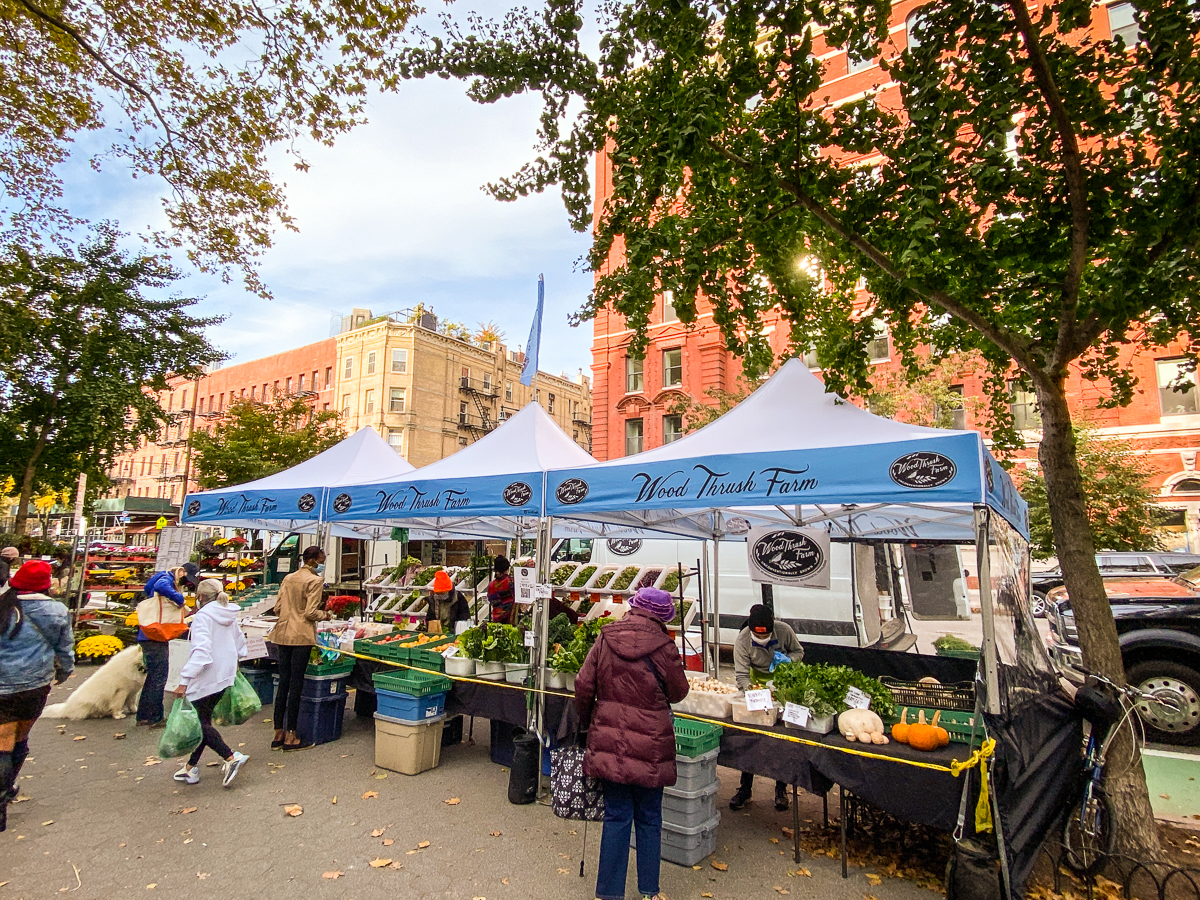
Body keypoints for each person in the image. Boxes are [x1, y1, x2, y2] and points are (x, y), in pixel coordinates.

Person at [575, 587, 689, 900]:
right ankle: (649, 891)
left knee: (616, 815)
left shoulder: (605, 636)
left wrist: (588, 722)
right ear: (664, 617)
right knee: (650, 818)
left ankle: (610, 893)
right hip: (652, 745)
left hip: (609, 741)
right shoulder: (666, 647)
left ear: (634, 607)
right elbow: (680, 692)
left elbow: (583, 684)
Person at [0, 560, 74, 831]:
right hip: (36, 686)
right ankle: (7, 787)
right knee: (20, 738)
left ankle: (1, 800)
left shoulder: (4, 605)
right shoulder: (57, 610)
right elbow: (65, 647)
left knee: (2, 743)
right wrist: (65, 672)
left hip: (3, 685)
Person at [172, 580, 249, 787]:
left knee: (200, 723)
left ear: (199, 597)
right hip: (225, 673)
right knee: (203, 721)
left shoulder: (202, 618)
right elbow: (240, 643)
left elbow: (201, 652)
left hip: (206, 676)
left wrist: (184, 680)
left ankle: (230, 757)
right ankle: (190, 768)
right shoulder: (228, 614)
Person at [730, 603, 804, 812]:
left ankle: (781, 789)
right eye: (757, 634)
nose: (761, 638)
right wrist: (753, 692)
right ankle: (745, 788)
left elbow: (799, 651)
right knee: (752, 737)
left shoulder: (784, 631)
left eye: (765, 634)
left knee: (780, 738)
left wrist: (788, 661)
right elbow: (742, 676)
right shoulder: (743, 639)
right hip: (757, 685)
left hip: (783, 683)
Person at [266, 546, 329, 751]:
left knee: (283, 682)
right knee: (296, 684)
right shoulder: (315, 580)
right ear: (312, 561)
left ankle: (278, 732)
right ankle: (292, 734)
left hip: (282, 633)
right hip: (301, 635)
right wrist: (325, 615)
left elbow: (277, 608)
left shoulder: (289, 578)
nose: (322, 563)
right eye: (321, 559)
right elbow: (311, 612)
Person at [137, 562, 200, 728]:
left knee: (152, 677)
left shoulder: (159, 578)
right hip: (156, 635)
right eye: (186, 578)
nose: (185, 583)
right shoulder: (165, 578)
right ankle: (155, 717)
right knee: (159, 677)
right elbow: (161, 586)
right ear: (182, 572)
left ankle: (143, 716)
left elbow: (151, 587)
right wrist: (179, 599)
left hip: (148, 634)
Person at [487, 556, 516, 624]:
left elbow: (491, 599)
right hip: (509, 618)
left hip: (496, 617)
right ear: (506, 569)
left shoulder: (491, 585)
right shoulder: (510, 582)